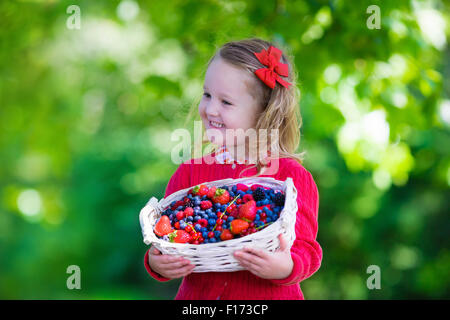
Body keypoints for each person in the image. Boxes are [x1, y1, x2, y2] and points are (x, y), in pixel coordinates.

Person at [144, 38, 322, 300]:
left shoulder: (291, 177)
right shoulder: (190, 173)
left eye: (226, 102)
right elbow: (166, 231)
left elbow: (307, 249)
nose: (210, 109)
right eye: (207, 95)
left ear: (264, 111)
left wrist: (286, 266)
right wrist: (156, 261)